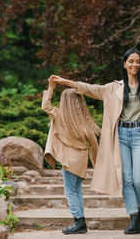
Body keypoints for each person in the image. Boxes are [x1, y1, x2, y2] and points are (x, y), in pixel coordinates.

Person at [50, 48, 140, 234]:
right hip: (120, 136)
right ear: (124, 64)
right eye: (131, 61)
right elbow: (90, 89)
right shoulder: (113, 88)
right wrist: (66, 82)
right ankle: (133, 218)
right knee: (126, 178)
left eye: (138, 61)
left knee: (139, 179)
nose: (134, 64)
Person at [42, 76, 100, 234]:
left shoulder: (60, 115)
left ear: (64, 102)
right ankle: (80, 221)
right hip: (81, 160)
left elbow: (45, 106)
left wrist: (51, 87)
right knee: (77, 190)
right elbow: (94, 144)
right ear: (80, 102)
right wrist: (97, 162)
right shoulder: (84, 120)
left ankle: (79, 221)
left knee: (70, 191)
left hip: (69, 160)